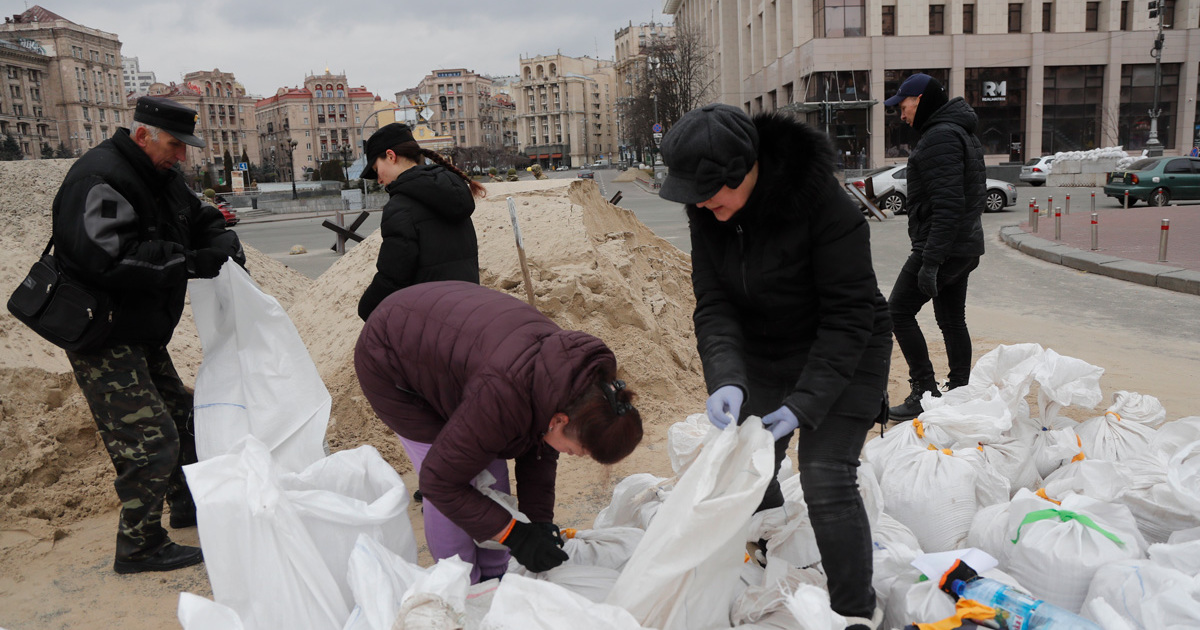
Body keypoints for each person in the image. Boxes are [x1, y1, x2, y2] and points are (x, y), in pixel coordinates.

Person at [659, 104, 892, 630]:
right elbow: (714, 304)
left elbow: (849, 316)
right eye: (698, 200)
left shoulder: (826, 208)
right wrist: (728, 378)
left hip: (845, 346)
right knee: (750, 460)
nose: (705, 209)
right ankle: (765, 547)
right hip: (767, 346)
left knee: (825, 473)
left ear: (744, 172)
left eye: (713, 198)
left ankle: (856, 610)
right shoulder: (707, 209)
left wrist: (805, 403)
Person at [50, 96, 245, 574]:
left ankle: (186, 506)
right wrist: (186, 261)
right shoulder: (99, 177)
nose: (182, 156)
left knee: (183, 418)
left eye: (185, 147)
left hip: (139, 329)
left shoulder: (160, 175)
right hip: (102, 332)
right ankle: (138, 546)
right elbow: (107, 258)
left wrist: (219, 239)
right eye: (176, 145)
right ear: (143, 135)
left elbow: (195, 218)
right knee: (149, 440)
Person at [354, 281, 644, 583]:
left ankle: (495, 576)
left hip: (458, 349)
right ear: (559, 420)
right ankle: (460, 583)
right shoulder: (505, 393)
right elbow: (438, 481)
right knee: (455, 476)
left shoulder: (569, 388)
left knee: (490, 473)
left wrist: (538, 525)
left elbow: (539, 452)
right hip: (392, 358)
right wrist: (515, 535)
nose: (573, 455)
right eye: (577, 450)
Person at [882, 74, 985, 421]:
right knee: (952, 319)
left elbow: (948, 204)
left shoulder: (941, 136)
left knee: (897, 311)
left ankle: (924, 390)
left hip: (943, 247)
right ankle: (959, 390)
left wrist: (930, 261)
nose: (901, 112)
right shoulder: (957, 130)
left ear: (922, 99)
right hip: (962, 245)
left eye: (904, 104)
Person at [357, 122, 485, 320]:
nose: (379, 180)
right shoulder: (453, 192)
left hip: (430, 322)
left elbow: (393, 277)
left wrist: (365, 309)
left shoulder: (401, 207)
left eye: (376, 169)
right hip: (468, 313)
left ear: (390, 156)